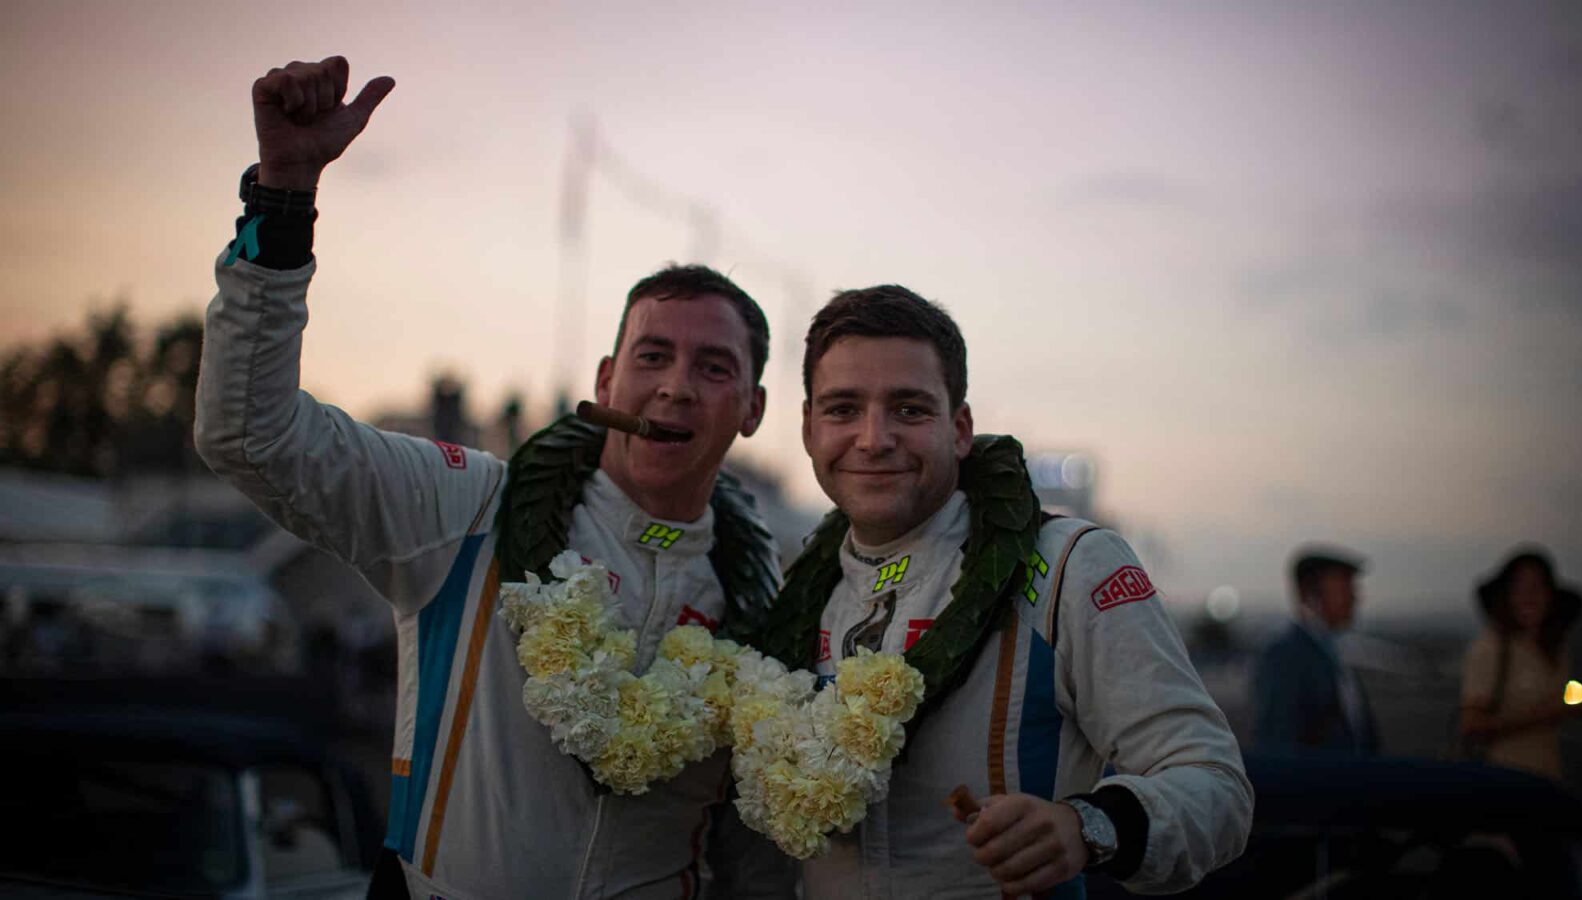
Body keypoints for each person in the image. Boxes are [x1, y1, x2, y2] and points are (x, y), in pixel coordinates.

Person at [194, 57, 793, 899]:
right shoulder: (469, 504)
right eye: (652, 356)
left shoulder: (773, 596)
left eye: (714, 366)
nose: (676, 386)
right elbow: (249, 435)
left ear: (754, 409)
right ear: (605, 382)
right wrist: (283, 196)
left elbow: (758, 850)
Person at [755, 286, 1253, 897]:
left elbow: (1217, 786)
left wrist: (1088, 824)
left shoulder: (1071, 563)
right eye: (842, 410)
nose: (873, 438)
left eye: (909, 409)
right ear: (808, 429)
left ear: (960, 429)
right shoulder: (796, 591)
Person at [1458, 548, 1582, 781]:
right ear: (1506, 598)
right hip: (1505, 779)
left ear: (1550, 595)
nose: (1529, 596)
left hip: (1548, 776)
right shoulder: (1491, 649)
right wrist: (1548, 714)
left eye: (1537, 587)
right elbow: (1470, 724)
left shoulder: (1554, 651)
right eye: (1519, 589)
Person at [1252, 547, 1380, 755]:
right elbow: (1279, 745)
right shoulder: (1285, 658)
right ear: (1310, 594)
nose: (1355, 598)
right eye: (1344, 588)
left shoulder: (1335, 656)